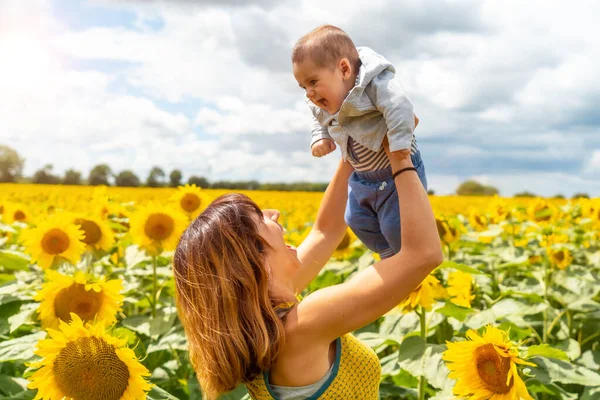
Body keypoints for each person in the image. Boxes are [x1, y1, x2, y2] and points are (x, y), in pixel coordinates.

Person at [173, 141, 443, 399]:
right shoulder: (306, 323)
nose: (274, 213)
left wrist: (351, 144)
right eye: (260, 217)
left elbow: (326, 231)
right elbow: (423, 255)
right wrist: (400, 155)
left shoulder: (269, 319)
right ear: (255, 260)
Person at [293, 25, 427, 259]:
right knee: (355, 219)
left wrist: (399, 148)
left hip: (394, 175)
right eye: (303, 86)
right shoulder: (326, 100)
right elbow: (319, 118)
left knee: (396, 225)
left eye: (313, 81)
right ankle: (389, 257)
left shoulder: (375, 86)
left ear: (344, 68)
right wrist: (320, 137)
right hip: (363, 178)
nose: (309, 93)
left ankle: (405, 261)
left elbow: (400, 107)